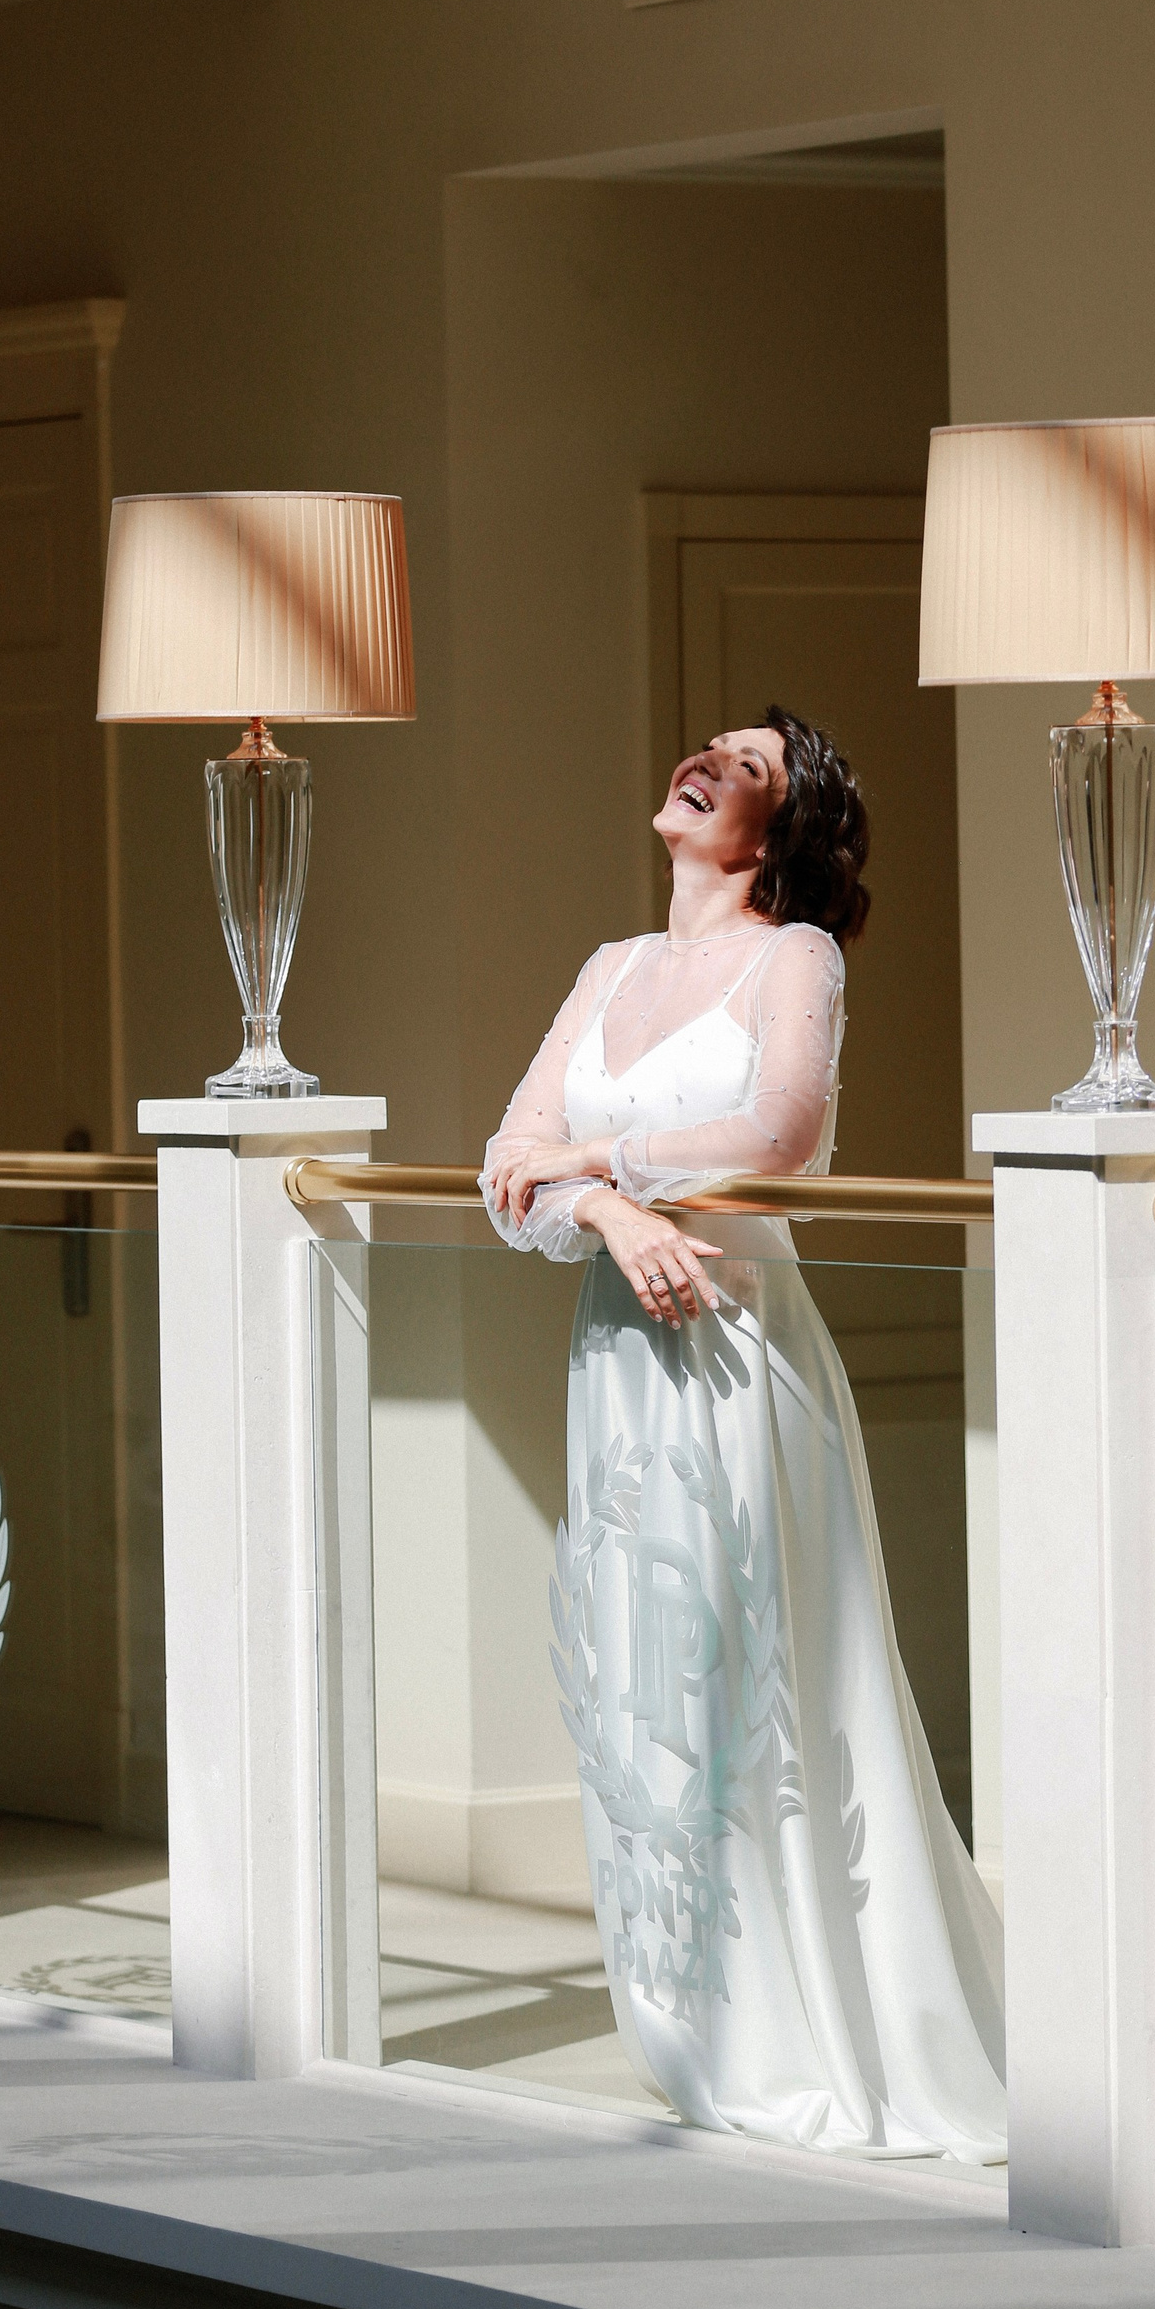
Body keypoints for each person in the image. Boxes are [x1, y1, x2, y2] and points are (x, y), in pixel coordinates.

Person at [481, 707, 1005, 2162]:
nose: (709, 761)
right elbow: (505, 1163)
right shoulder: (609, 967)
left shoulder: (798, 958)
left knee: (763, 1683)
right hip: (617, 1362)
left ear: (779, 829)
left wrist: (593, 1157)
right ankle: (693, 2024)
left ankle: (813, 2033)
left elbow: (781, 1137)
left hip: (738, 1349)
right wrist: (610, 1213)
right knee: (642, 1686)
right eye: (708, 746)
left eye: (752, 763)